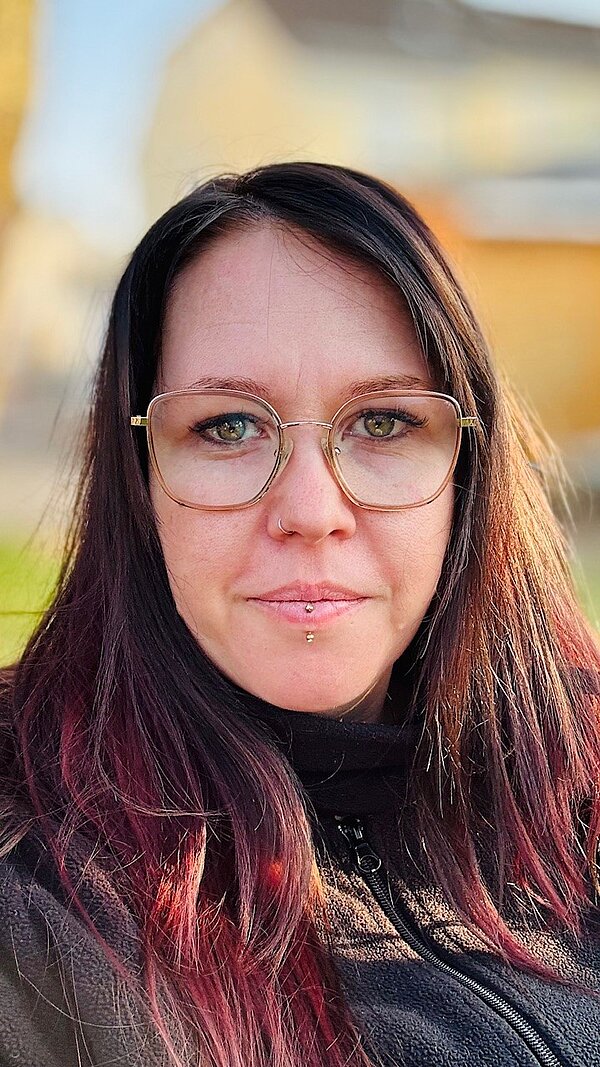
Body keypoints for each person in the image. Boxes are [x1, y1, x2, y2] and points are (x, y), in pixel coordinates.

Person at [0, 161, 599, 1067]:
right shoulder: (35, 891)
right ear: (141, 482)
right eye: (229, 425)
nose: (312, 508)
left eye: (386, 422)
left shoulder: (577, 777)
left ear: (468, 474)